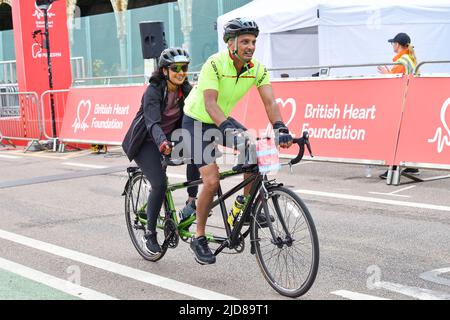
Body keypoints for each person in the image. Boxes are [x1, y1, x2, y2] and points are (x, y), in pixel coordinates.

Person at [181, 17, 293, 265]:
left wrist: (280, 127)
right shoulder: (215, 64)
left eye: (253, 41)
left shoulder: (257, 68)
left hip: (222, 119)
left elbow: (270, 102)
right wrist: (230, 130)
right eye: (244, 41)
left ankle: (242, 207)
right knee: (211, 180)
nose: (250, 46)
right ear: (231, 44)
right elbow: (210, 104)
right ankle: (198, 237)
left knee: (254, 151)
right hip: (196, 122)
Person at [122, 47, 200, 255]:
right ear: (164, 71)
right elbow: (153, 123)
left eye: (184, 67)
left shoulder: (186, 89)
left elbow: (197, 112)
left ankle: (191, 203)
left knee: (199, 152)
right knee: (159, 183)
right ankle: (149, 234)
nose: (181, 72)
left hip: (171, 139)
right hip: (147, 141)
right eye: (175, 68)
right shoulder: (153, 91)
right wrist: (162, 143)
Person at [377, 32, 419, 179]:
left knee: (395, 136)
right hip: (411, 101)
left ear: (398, 45)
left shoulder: (402, 60)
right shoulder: (411, 58)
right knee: (404, 135)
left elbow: (395, 80)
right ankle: (411, 165)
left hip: (402, 101)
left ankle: (393, 168)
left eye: (393, 43)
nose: (392, 45)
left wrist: (385, 73)